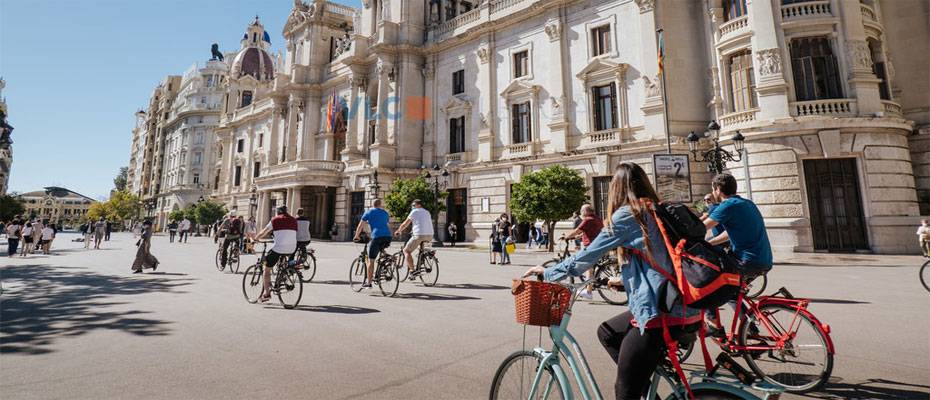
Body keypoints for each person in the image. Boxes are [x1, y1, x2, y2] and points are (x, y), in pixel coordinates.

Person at [523, 162, 701, 400]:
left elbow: (586, 257)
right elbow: (660, 258)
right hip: (686, 307)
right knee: (608, 333)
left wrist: (548, 273)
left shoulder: (628, 214)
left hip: (659, 315)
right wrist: (624, 279)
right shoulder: (657, 209)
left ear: (617, 188)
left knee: (624, 390)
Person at [703, 173, 773, 336]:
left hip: (746, 261)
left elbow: (701, 227)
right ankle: (749, 329)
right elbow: (729, 233)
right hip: (764, 260)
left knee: (707, 280)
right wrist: (710, 243)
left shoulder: (727, 206)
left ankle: (712, 323)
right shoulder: (747, 203)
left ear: (717, 189)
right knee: (732, 293)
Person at [254, 207, 298, 301]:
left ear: (278, 212)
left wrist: (256, 238)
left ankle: (266, 294)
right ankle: (283, 276)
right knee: (282, 260)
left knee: (267, 269)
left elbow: (264, 231)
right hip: (292, 248)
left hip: (279, 248)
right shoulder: (294, 220)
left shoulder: (275, 219)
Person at [563, 204, 604, 300]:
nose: (581, 213)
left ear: (586, 211)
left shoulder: (588, 219)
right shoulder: (597, 218)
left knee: (588, 268)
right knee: (590, 268)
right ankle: (588, 288)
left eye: (582, 211)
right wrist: (578, 236)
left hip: (590, 246)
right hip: (597, 245)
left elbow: (577, 230)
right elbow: (588, 232)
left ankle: (588, 292)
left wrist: (567, 236)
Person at [353, 199, 392, 288]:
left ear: (372, 204)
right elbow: (385, 223)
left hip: (376, 236)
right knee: (381, 249)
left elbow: (360, 226)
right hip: (388, 236)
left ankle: (369, 283)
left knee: (371, 260)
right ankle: (386, 262)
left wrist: (356, 236)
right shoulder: (385, 213)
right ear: (380, 205)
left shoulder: (369, 212)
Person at [395, 199, 433, 275]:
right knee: (419, 245)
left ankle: (412, 271)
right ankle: (422, 257)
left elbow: (406, 223)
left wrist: (399, 230)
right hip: (430, 235)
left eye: (413, 205)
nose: (412, 207)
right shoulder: (427, 212)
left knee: (406, 251)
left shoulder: (415, 211)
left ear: (419, 205)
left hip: (419, 235)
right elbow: (422, 223)